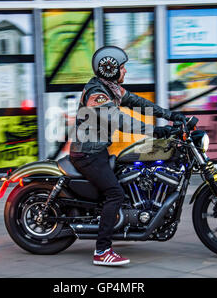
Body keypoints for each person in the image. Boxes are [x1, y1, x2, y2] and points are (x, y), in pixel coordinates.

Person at [69, 46, 186, 266]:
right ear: (110, 69)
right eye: (122, 68)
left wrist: (171, 115)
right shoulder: (97, 94)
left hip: (98, 151)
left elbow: (139, 103)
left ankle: (122, 223)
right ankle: (102, 251)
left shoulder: (111, 88)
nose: (125, 72)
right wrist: (154, 130)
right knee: (115, 193)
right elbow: (119, 119)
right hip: (87, 154)